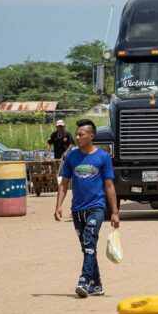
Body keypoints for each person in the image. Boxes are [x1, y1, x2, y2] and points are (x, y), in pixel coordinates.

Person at [54, 118, 119, 297]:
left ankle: (84, 280)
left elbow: (109, 186)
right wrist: (58, 205)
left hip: (96, 207)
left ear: (91, 136)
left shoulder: (103, 157)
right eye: (77, 134)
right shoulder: (71, 157)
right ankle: (97, 285)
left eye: (81, 134)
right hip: (77, 210)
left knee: (90, 241)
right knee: (86, 247)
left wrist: (114, 212)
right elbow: (64, 182)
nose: (77, 137)